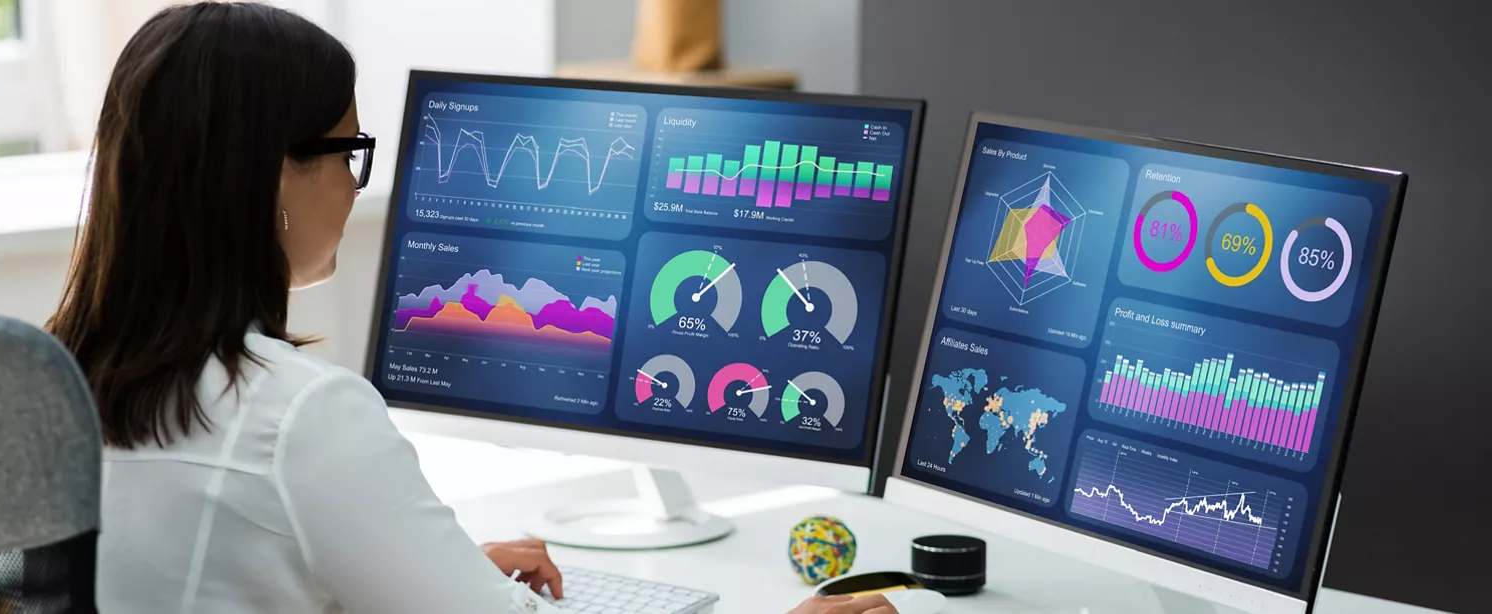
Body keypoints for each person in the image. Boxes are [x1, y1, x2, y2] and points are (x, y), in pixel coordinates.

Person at [47, 3, 893, 614]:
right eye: (349, 150)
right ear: (274, 175)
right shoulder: (300, 415)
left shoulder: (35, 385)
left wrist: (418, 570)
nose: (352, 181)